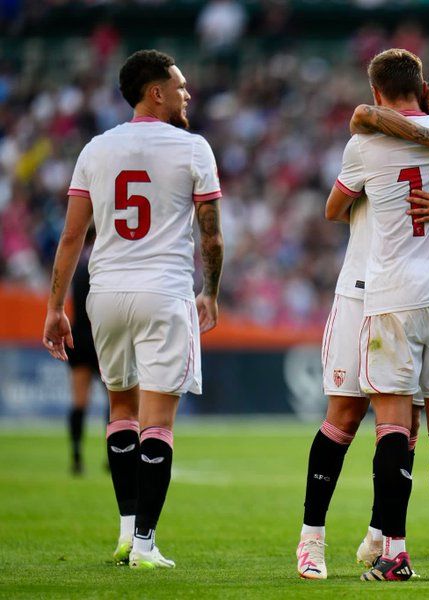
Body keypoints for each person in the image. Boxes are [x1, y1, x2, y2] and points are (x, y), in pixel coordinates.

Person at [295, 62, 429, 580]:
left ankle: (383, 533)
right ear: (421, 89)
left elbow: (337, 204)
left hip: (401, 294)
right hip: (361, 290)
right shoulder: (384, 133)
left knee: (407, 419)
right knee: (346, 415)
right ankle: (312, 539)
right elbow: (360, 127)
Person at [42, 49, 224, 569]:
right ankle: (145, 543)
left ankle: (126, 534)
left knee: (120, 411)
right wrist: (210, 291)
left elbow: (73, 235)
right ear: (156, 91)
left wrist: (56, 307)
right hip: (163, 291)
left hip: (106, 294)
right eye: (180, 85)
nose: (187, 94)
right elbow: (210, 235)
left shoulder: (96, 149)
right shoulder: (194, 148)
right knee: (158, 422)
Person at [66, 228, 101, 476]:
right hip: (101, 337)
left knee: (80, 399)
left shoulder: (78, 269)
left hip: (79, 337)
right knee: (118, 396)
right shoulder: (102, 267)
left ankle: (77, 455)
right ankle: (115, 455)